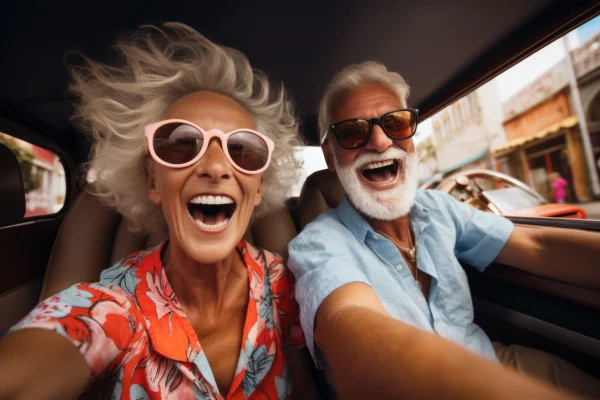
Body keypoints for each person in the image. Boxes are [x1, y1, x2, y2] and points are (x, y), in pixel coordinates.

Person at [0, 23, 319, 400]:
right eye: (182, 144)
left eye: (242, 150)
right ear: (152, 182)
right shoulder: (115, 302)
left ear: (258, 185)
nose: (216, 167)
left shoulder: (289, 285)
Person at [288, 61, 600, 399]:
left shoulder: (439, 208)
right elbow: (350, 327)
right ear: (331, 158)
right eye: (352, 131)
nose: (379, 141)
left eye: (396, 123)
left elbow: (537, 246)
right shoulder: (318, 244)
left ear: (411, 138)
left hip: (492, 361)